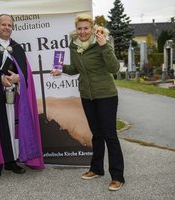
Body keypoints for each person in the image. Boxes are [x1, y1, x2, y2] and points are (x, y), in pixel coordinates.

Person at [51, 13, 125, 191]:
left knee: (110, 135)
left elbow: (114, 68)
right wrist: (59, 68)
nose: (83, 32)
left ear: (92, 29)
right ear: (76, 30)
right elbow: (76, 68)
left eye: (86, 28)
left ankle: (117, 176)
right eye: (79, 28)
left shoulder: (101, 43)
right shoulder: (74, 46)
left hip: (106, 95)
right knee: (96, 134)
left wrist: (104, 46)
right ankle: (96, 169)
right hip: (87, 96)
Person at [0, 14, 44, 183]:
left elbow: (26, 72)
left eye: (9, 25)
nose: (6, 27)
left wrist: (18, 78)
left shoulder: (17, 48)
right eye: (3, 24)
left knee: (13, 128)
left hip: (14, 98)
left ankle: (11, 161)